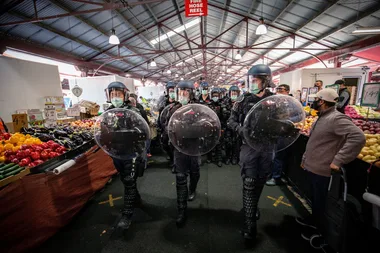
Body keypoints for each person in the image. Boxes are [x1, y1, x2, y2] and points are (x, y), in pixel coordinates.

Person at [297, 88, 365, 246]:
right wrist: (305, 158)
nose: (313, 101)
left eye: (316, 99)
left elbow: (358, 137)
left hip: (324, 171)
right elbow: (315, 141)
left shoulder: (336, 119)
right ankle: (314, 222)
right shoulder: (322, 117)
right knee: (315, 199)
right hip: (313, 167)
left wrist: (339, 160)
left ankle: (322, 234)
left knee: (323, 204)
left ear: (321, 101)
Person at [228, 64, 275, 243]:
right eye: (250, 80)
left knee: (261, 179)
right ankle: (249, 225)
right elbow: (231, 122)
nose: (252, 83)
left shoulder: (275, 100)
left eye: (255, 80)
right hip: (249, 147)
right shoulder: (242, 100)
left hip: (267, 147)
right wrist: (242, 131)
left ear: (265, 81)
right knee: (249, 181)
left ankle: (252, 207)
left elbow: (285, 119)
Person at [104, 82, 147, 230]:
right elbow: (103, 131)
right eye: (113, 95)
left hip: (131, 151)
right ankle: (137, 200)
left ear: (125, 95)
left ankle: (127, 215)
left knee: (129, 180)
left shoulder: (133, 111)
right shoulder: (107, 113)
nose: (115, 97)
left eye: (119, 94)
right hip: (116, 152)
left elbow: (143, 130)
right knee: (125, 179)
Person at [164, 81, 200, 227]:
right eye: (180, 92)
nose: (183, 95)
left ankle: (192, 189)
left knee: (195, 172)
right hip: (179, 147)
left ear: (191, 93)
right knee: (180, 177)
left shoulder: (199, 108)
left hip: (194, 147)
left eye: (186, 92)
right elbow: (166, 126)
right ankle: (181, 210)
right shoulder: (172, 109)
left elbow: (208, 124)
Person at [266, 84, 291, 186]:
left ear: (288, 91)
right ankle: (271, 174)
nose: (279, 91)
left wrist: (285, 121)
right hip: (274, 132)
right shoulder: (274, 102)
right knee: (272, 155)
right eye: (278, 89)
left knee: (278, 156)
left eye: (282, 90)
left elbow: (297, 115)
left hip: (285, 133)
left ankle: (276, 177)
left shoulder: (292, 103)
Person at [158, 82, 177, 173]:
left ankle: (175, 163)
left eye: (174, 91)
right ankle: (171, 157)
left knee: (174, 146)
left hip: (176, 128)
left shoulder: (178, 102)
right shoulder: (163, 102)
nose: (173, 92)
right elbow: (160, 116)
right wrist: (160, 126)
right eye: (171, 91)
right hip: (165, 127)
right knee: (165, 144)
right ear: (167, 91)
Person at [222, 85, 240, 165]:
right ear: (230, 93)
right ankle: (228, 156)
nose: (234, 94)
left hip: (237, 126)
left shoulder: (241, 102)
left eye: (235, 93)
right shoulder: (225, 102)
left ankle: (234, 157)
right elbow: (223, 114)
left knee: (236, 142)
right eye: (232, 92)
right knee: (227, 142)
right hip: (228, 126)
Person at [206, 87, 223, 167]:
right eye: (214, 95)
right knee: (209, 142)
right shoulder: (208, 105)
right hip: (210, 127)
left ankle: (219, 159)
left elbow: (225, 117)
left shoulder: (222, 104)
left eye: (217, 95)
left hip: (219, 127)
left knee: (218, 144)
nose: (215, 96)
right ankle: (209, 157)